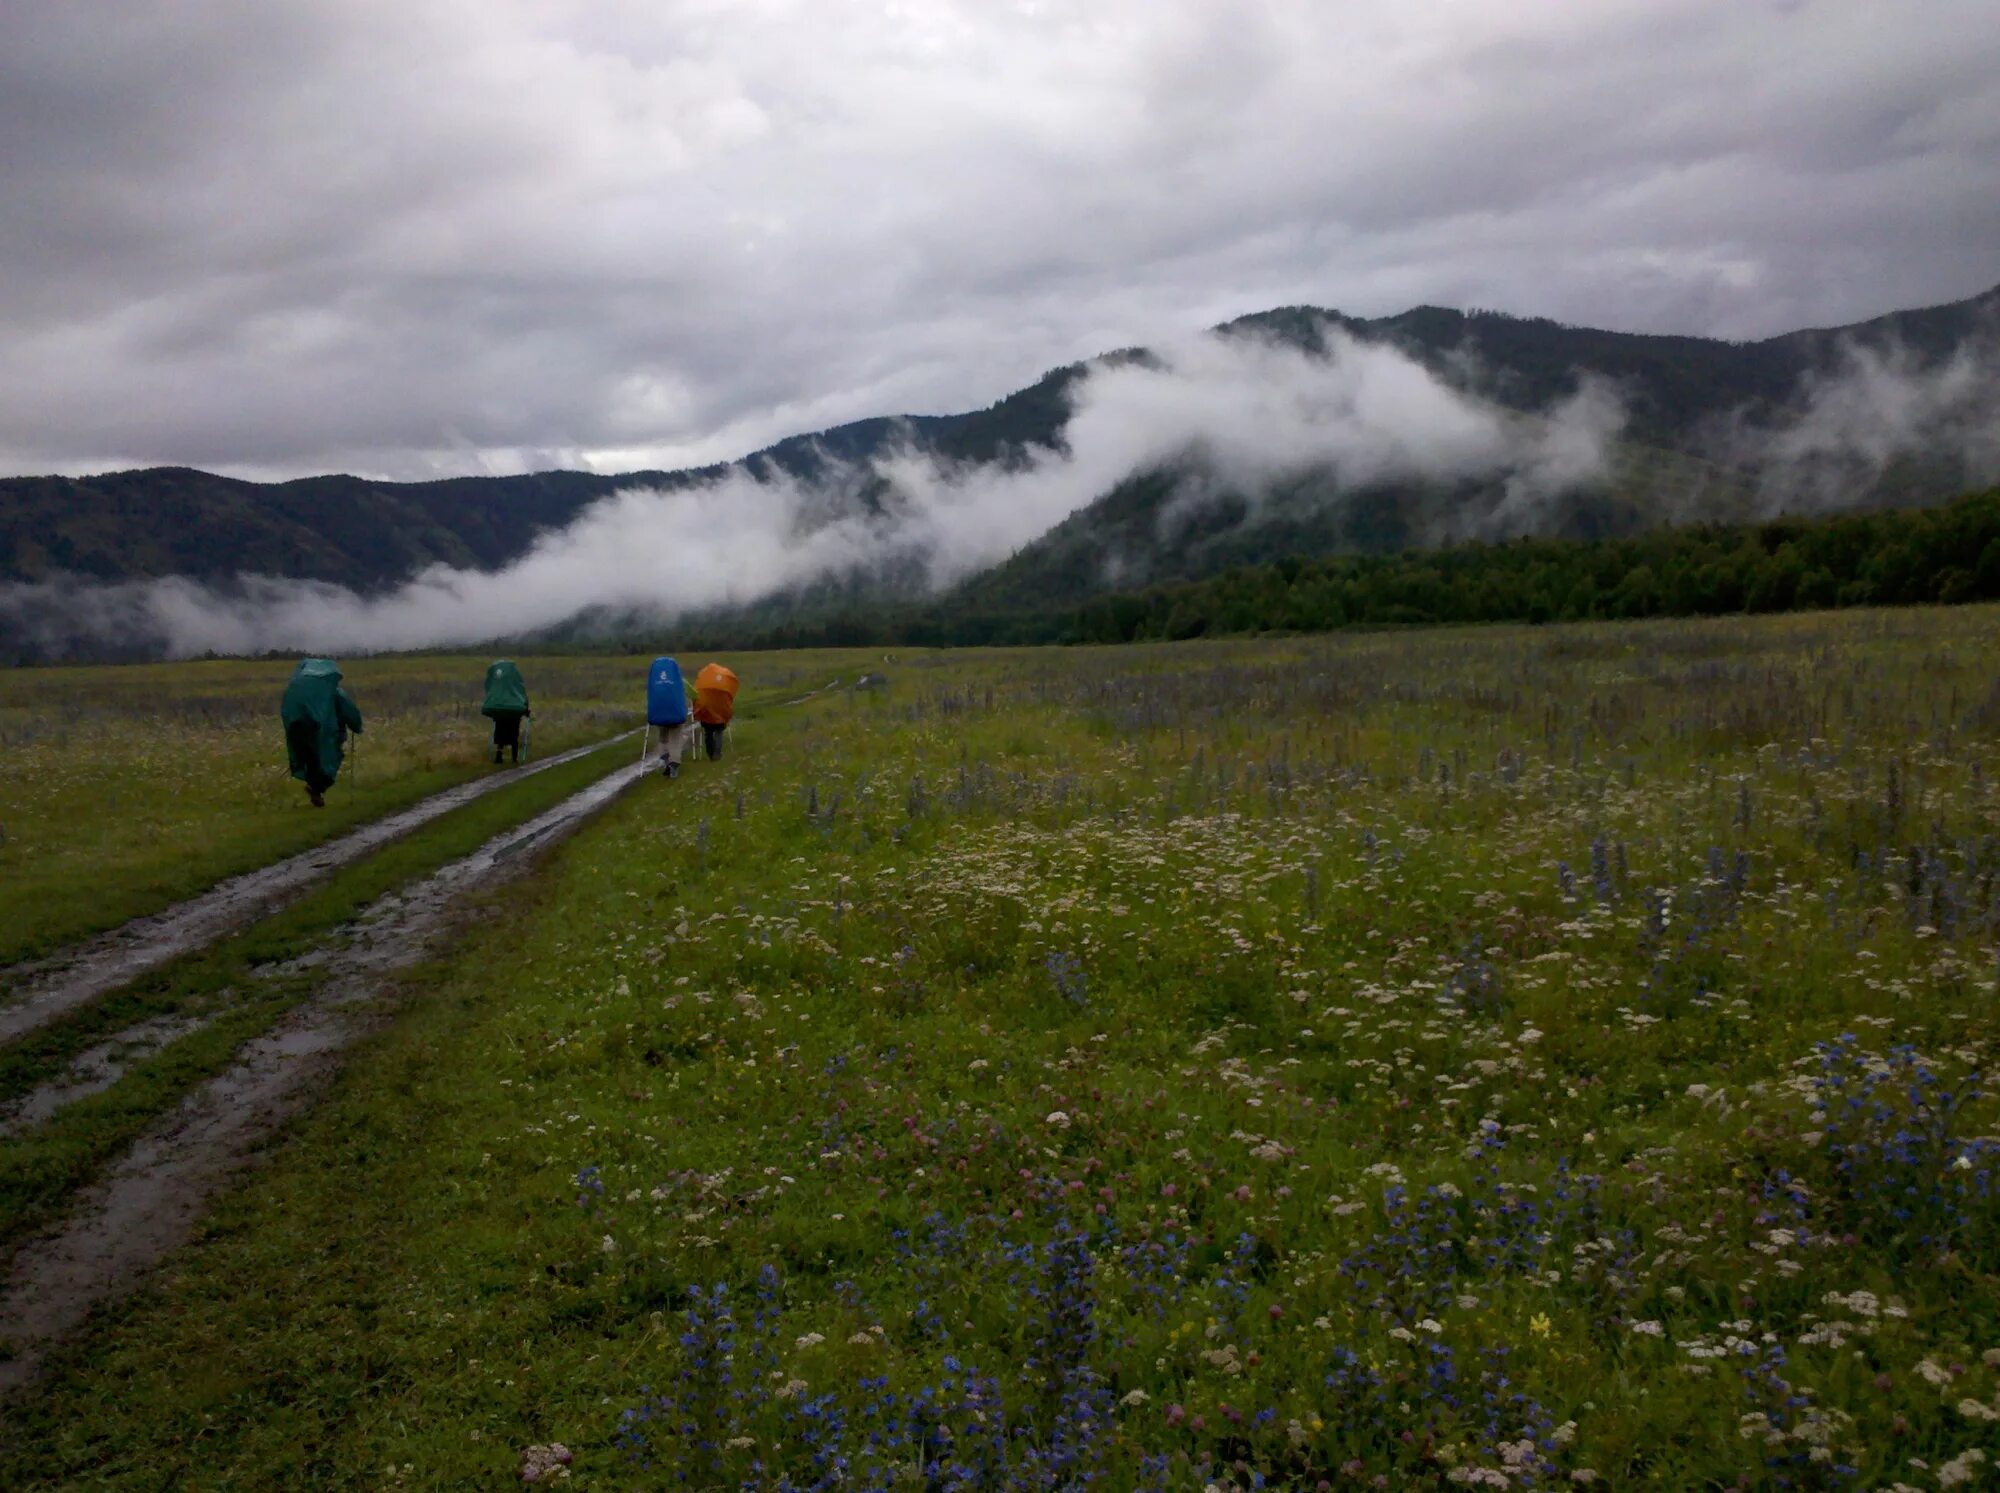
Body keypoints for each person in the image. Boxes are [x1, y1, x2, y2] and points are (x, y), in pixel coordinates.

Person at [280, 657, 363, 808]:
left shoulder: (294, 686)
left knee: (308, 758)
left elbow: (286, 709)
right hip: (321, 729)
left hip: (295, 725)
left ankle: (314, 789)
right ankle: (317, 789)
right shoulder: (332, 691)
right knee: (328, 759)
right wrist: (357, 726)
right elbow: (349, 711)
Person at [647, 655, 693, 779]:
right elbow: (693, 694)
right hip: (676, 715)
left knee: (663, 739)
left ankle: (665, 758)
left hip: (659, 715)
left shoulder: (655, 682)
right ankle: (674, 765)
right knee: (675, 740)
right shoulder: (680, 681)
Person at [481, 658, 531, 765]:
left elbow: (488, 688)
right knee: (513, 733)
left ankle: (499, 755)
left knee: (500, 732)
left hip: (499, 710)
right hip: (514, 711)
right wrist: (526, 709)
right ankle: (514, 757)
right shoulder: (515, 680)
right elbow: (522, 693)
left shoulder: (496, 681)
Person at [692, 662, 739, 761]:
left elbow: (696, 695)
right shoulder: (724, 684)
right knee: (719, 732)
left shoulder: (703, 681)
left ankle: (710, 753)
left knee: (708, 733)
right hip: (721, 713)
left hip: (706, 713)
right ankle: (717, 753)